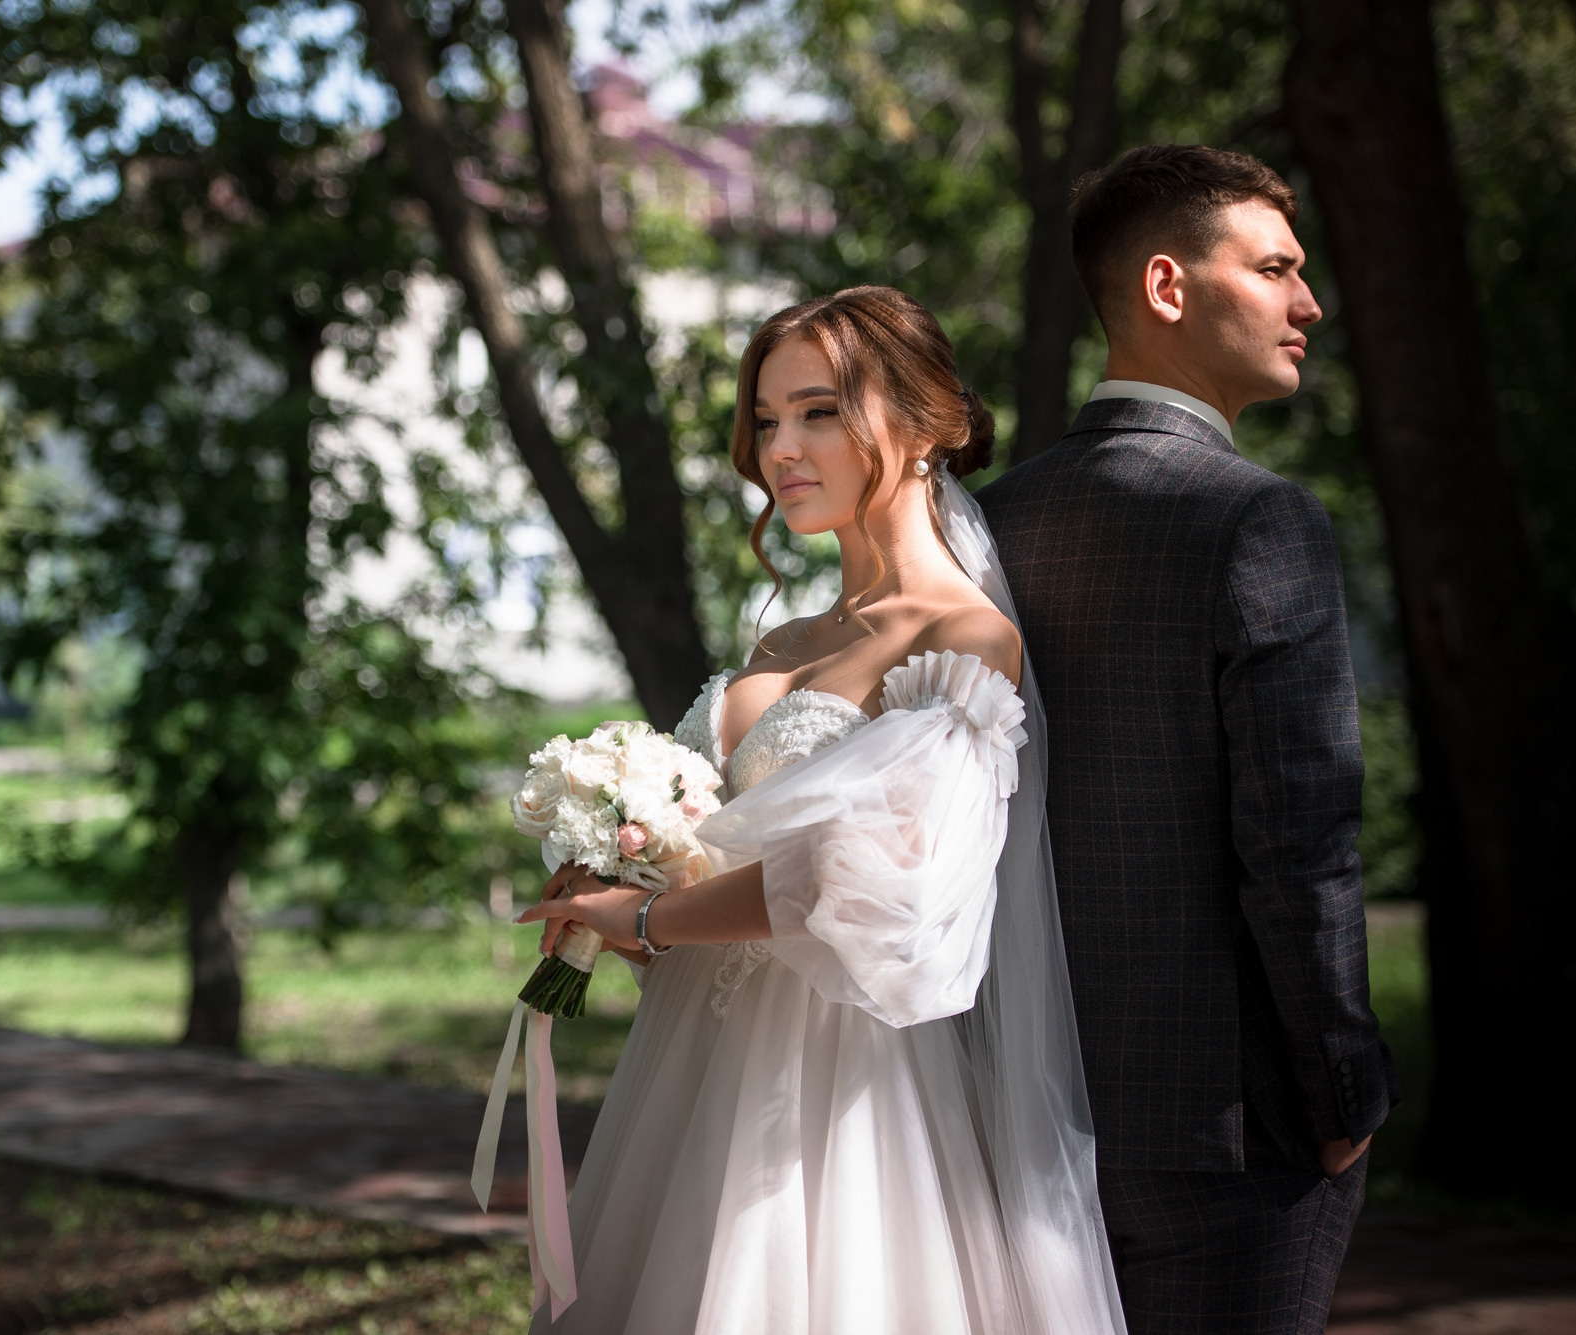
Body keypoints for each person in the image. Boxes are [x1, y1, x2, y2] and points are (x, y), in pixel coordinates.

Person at [517, 287, 1125, 1334]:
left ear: (928, 424)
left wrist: (646, 915)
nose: (779, 449)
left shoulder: (962, 644)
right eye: (764, 419)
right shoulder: (779, 644)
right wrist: (626, 897)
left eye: (819, 411)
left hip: (839, 1100)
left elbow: (857, 895)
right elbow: (724, 910)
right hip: (688, 1078)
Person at [975, 144, 1398, 1335]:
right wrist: (1342, 1089)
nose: (1307, 302)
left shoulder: (986, 524)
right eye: (1273, 269)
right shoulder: (1257, 520)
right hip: (1230, 1127)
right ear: (1168, 287)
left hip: (1012, 1107)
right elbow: (1298, 840)